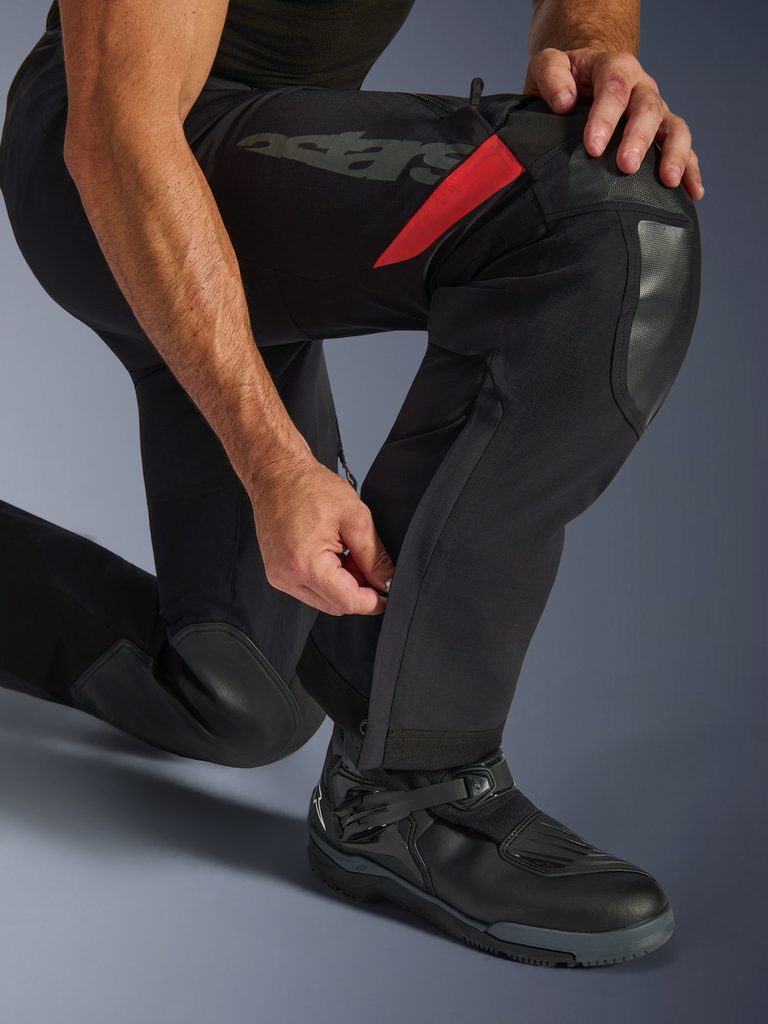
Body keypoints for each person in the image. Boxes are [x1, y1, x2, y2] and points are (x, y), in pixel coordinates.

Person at [0, 0, 703, 967]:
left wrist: (592, 48)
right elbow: (117, 132)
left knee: (243, 691)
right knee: (598, 212)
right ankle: (407, 786)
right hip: (115, 156)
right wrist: (272, 461)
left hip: (251, 165)